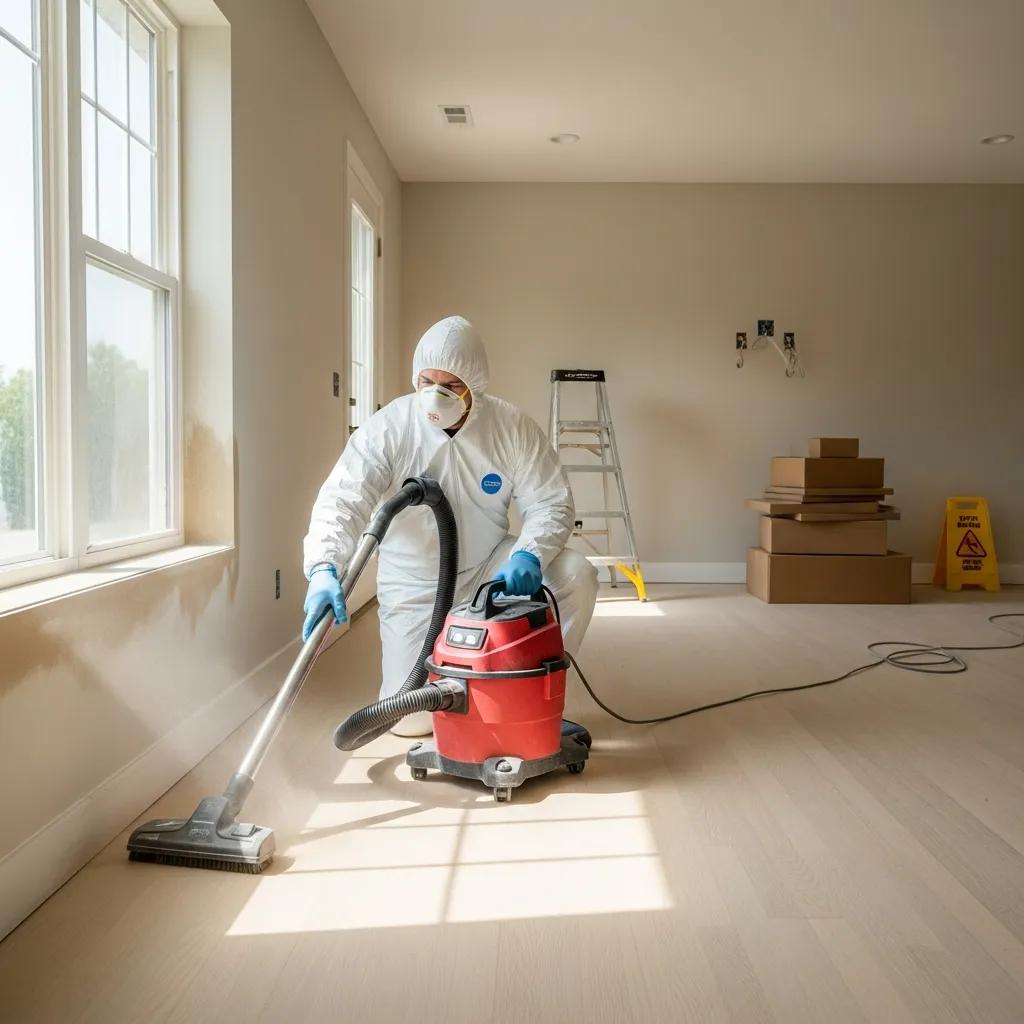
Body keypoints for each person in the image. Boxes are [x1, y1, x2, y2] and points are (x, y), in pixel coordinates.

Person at [303, 315, 599, 736]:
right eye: (426, 380)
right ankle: (467, 686)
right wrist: (323, 567)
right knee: (411, 722)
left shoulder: (510, 427)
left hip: (489, 568)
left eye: (451, 384)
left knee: (577, 575)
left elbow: (551, 499)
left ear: (475, 385)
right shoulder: (389, 427)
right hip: (414, 583)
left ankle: (534, 688)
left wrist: (529, 553)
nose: (436, 395)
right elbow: (343, 499)